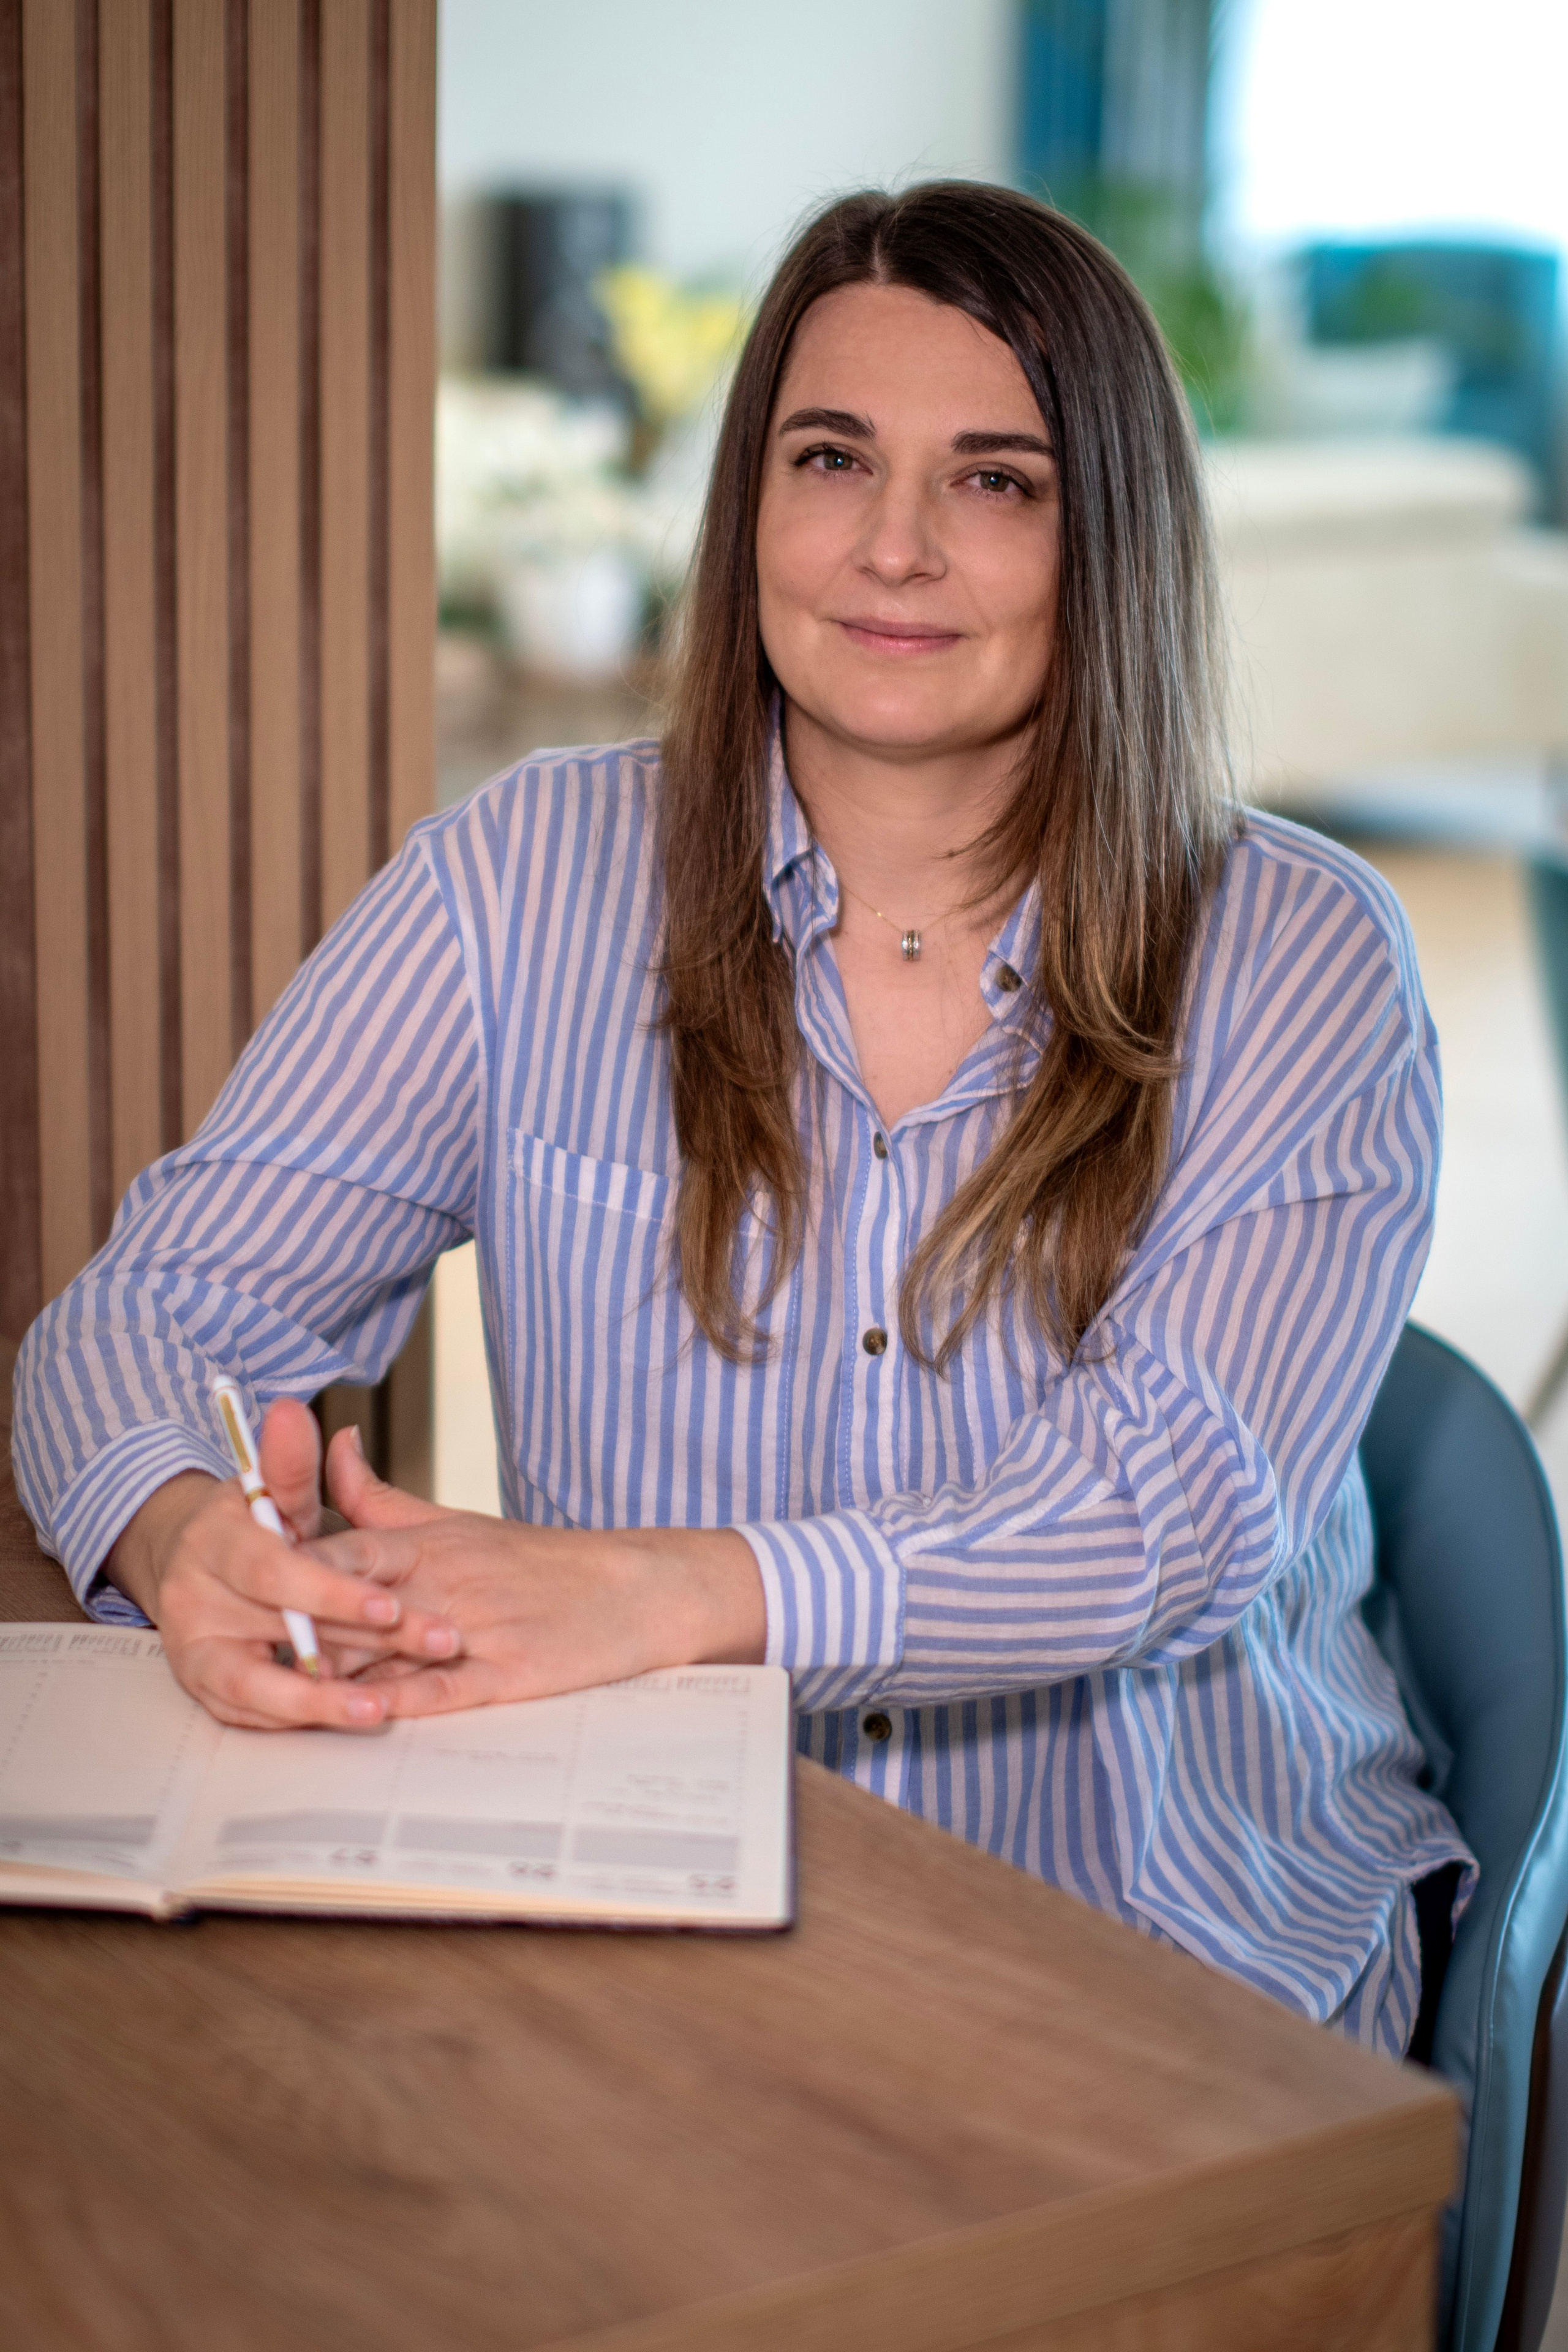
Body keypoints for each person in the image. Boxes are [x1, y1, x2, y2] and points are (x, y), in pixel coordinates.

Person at [14, 182, 1469, 2056]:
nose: (893, 547)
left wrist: (661, 1594)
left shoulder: (1303, 956)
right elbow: (146, 1316)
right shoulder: (518, 882)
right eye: (832, 458)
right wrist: (178, 1533)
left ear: (1111, 533)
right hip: (659, 1923)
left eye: (996, 480)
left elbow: (1168, 1513)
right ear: (749, 506)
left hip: (1169, 1941)